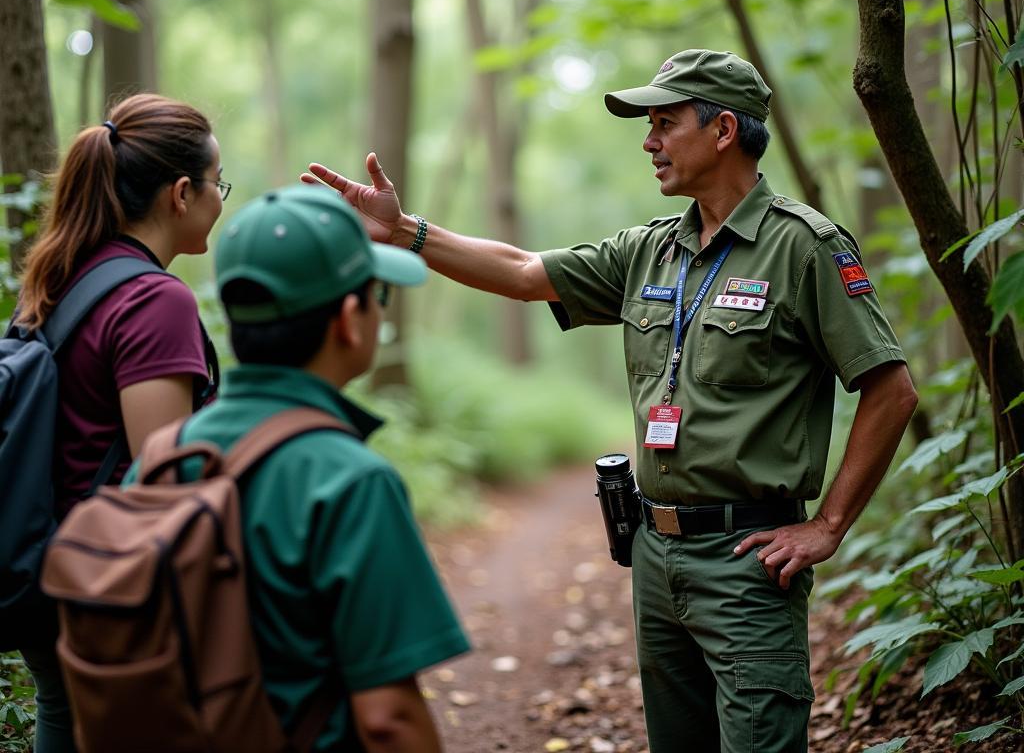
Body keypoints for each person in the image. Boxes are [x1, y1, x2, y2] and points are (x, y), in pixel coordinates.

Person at [304, 49, 919, 753]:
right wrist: (407, 232)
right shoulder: (651, 251)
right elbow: (523, 272)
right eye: (647, 126)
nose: (649, 143)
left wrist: (830, 524)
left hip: (748, 560)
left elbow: (890, 388)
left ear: (723, 131)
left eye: (664, 124)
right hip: (654, 556)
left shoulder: (803, 247)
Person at [125, 184, 470, 752]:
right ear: (348, 319)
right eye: (375, 293)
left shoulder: (163, 455)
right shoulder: (351, 481)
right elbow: (388, 719)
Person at [13, 92, 224, 753]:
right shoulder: (154, 299)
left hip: (47, 570)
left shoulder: (64, 276)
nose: (224, 199)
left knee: (63, 715)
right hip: (112, 588)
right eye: (221, 183)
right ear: (182, 193)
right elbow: (161, 480)